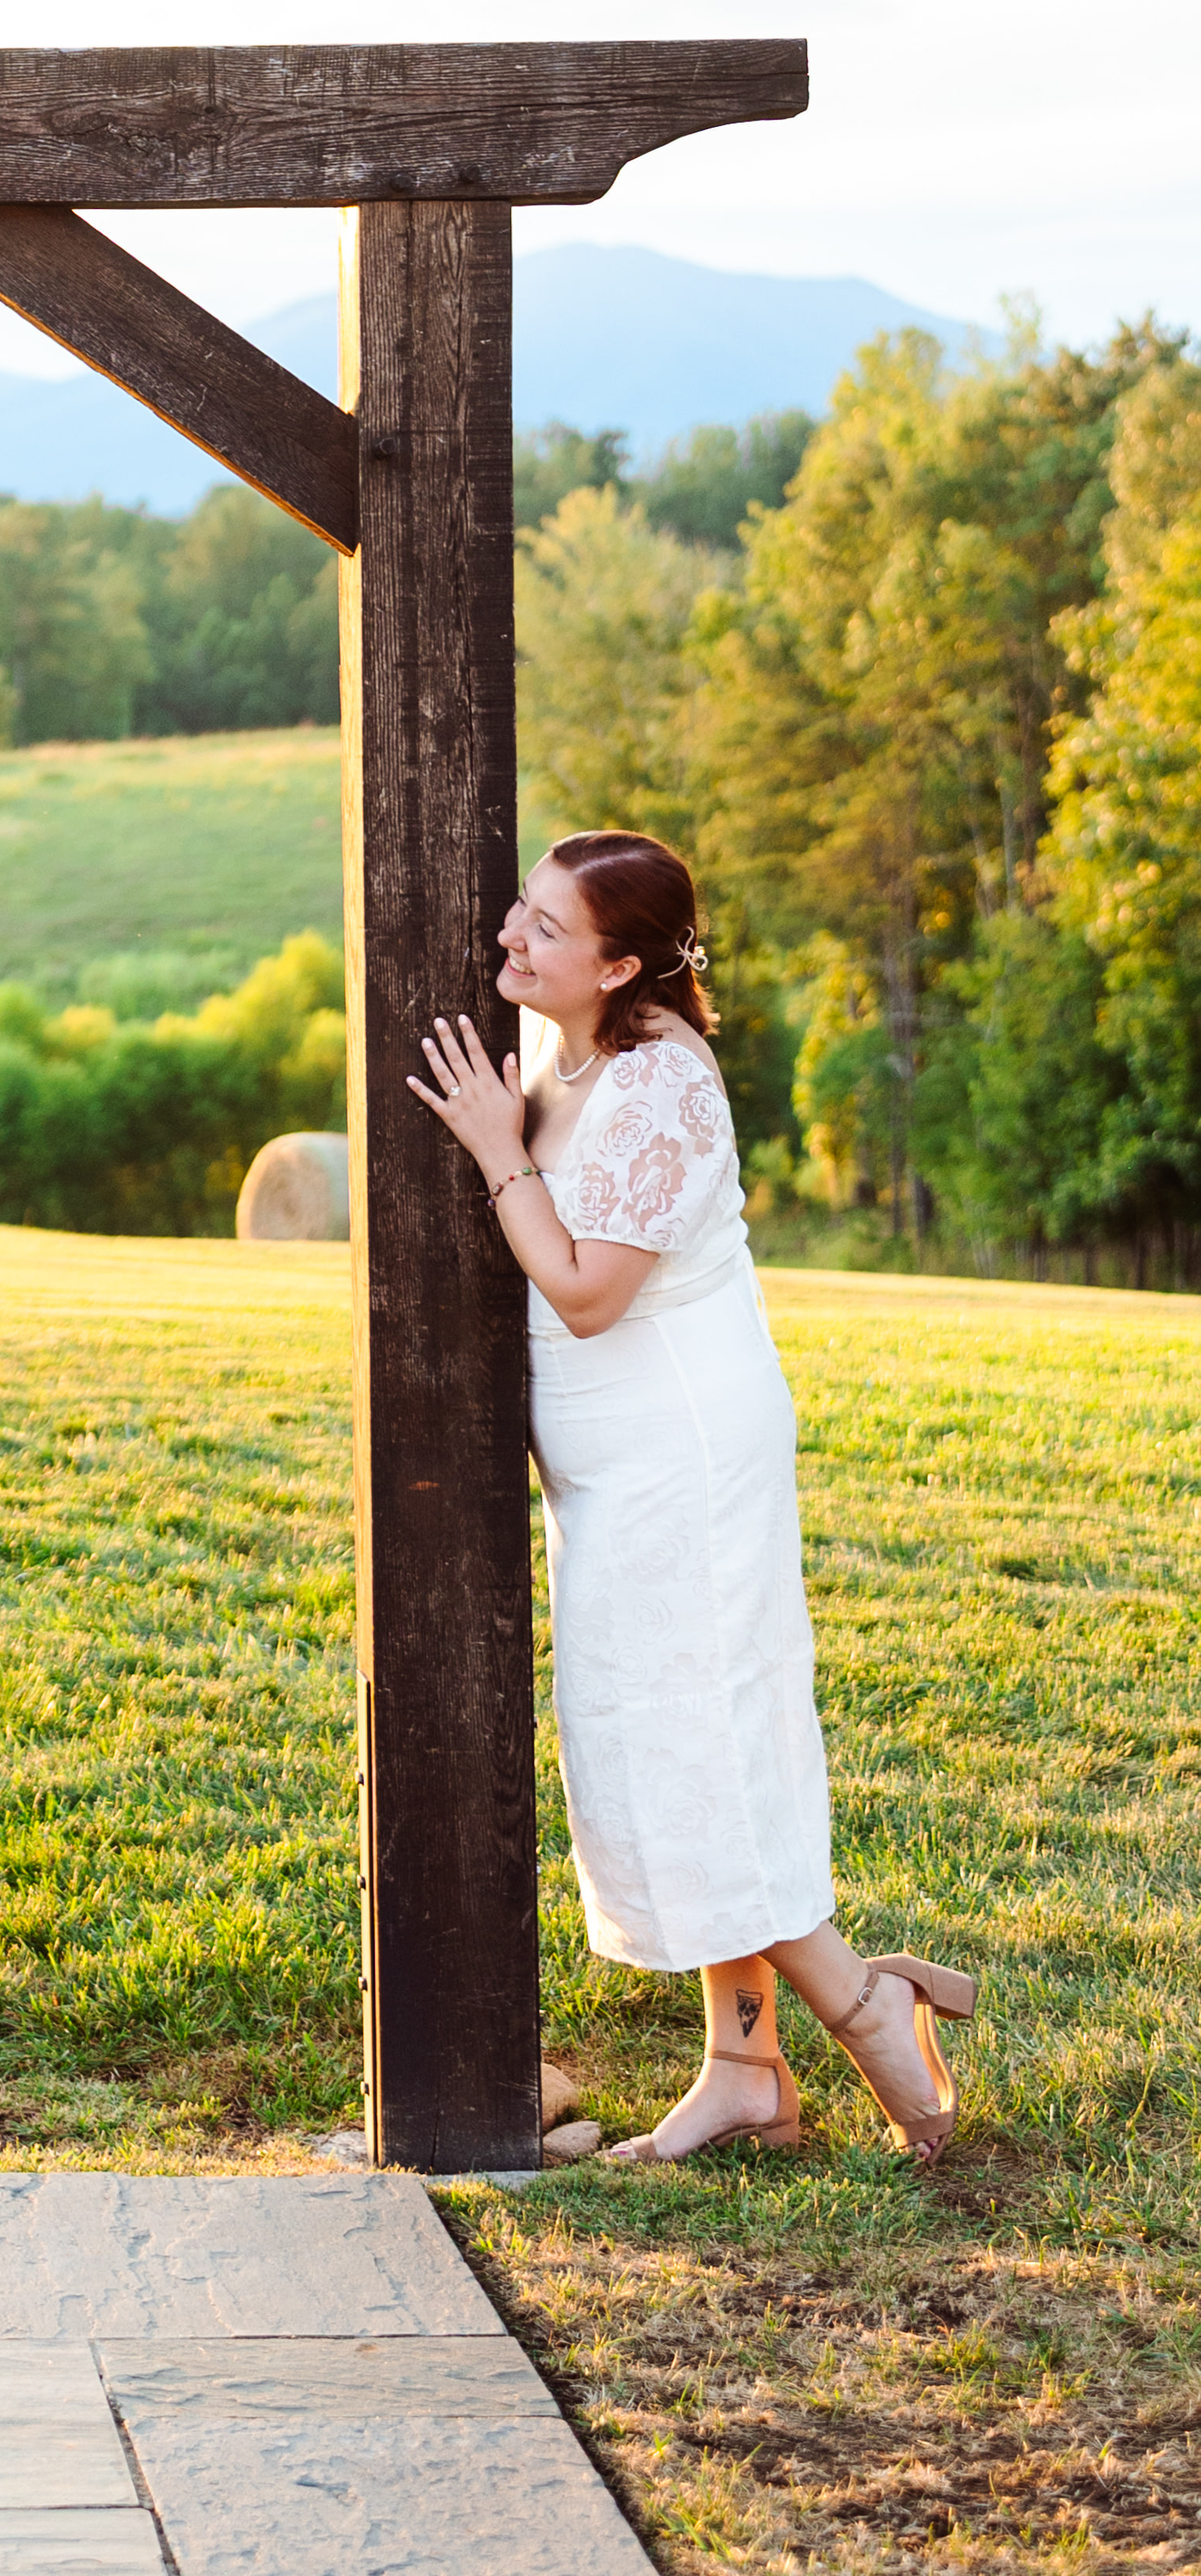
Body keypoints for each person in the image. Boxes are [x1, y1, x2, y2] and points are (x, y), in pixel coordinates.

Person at [410, 829, 976, 2165]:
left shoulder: (660, 1079)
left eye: (548, 928)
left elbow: (588, 1294)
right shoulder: (564, 1042)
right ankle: (745, 2071)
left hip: (686, 1456)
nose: (511, 936)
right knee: (670, 1744)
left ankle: (867, 2006)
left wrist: (497, 1148)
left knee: (701, 1744)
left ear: (622, 966)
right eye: (522, 909)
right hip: (615, 1470)